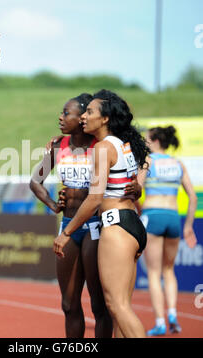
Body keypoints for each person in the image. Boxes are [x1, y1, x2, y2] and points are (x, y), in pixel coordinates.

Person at [31, 92, 142, 338]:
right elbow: (35, 181)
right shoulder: (59, 145)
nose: (61, 117)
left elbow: (128, 173)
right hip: (69, 222)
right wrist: (54, 204)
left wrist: (139, 187)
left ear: (83, 117)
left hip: (97, 224)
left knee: (101, 305)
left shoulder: (101, 144)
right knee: (68, 304)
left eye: (66, 113)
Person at [137, 126, 197, 336]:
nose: (143, 142)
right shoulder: (177, 164)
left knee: (153, 273)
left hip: (152, 215)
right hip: (173, 218)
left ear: (154, 141)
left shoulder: (148, 161)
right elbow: (193, 197)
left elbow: (136, 190)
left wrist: (139, 211)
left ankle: (160, 322)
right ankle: (173, 314)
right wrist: (188, 225)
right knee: (169, 270)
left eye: (145, 139)